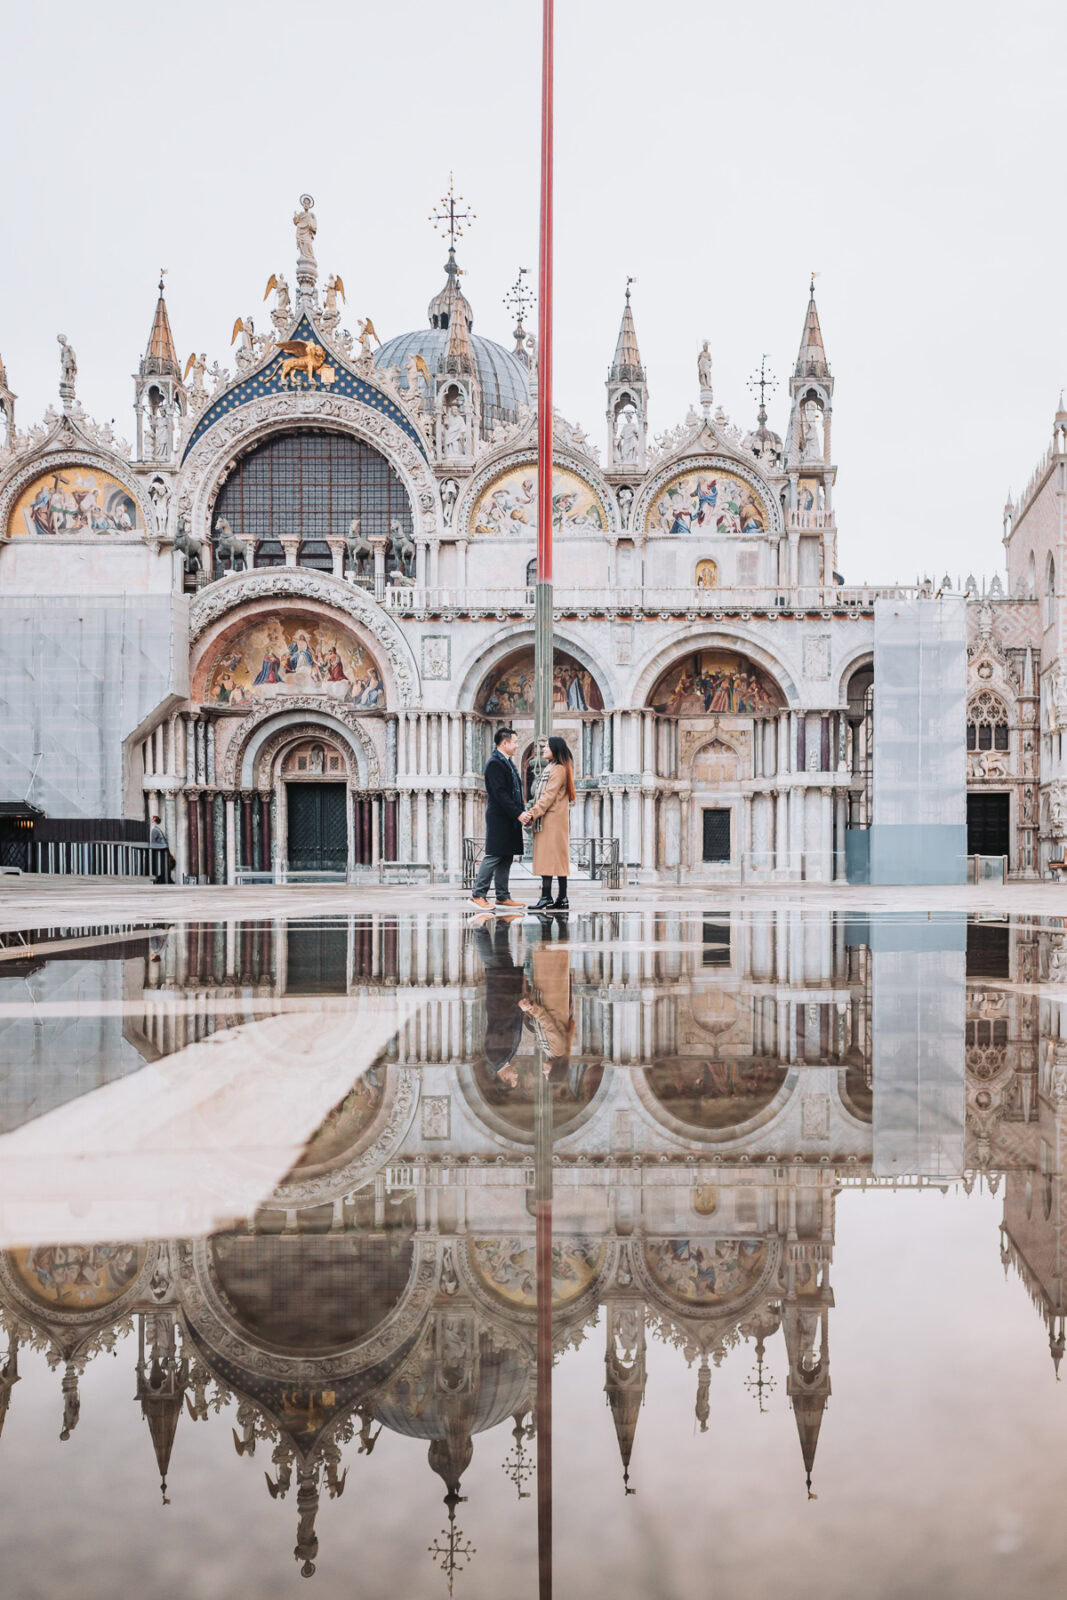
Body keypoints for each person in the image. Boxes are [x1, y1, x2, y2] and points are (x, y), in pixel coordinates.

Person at [469, 727, 527, 911]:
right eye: (515, 742)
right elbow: (500, 794)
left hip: (509, 818)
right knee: (494, 855)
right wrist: (518, 813)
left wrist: (520, 812)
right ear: (505, 743)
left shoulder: (507, 762)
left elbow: (514, 791)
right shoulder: (495, 763)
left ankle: (502, 896)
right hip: (500, 818)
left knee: (506, 856)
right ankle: (478, 894)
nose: (517, 745)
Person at [521, 735, 575, 911]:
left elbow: (548, 796)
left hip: (552, 820)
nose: (543, 749)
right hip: (552, 820)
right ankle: (561, 897)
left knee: (552, 859)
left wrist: (532, 814)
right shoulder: (554, 767)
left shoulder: (558, 769)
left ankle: (547, 897)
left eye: (546, 747)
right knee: (556, 859)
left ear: (555, 750)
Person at [149, 814, 172, 885]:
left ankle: (161, 879)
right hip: (164, 849)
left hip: (160, 851)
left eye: (152, 820)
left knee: (160, 866)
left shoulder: (154, 830)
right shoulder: (159, 829)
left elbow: (153, 843)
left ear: (154, 821)